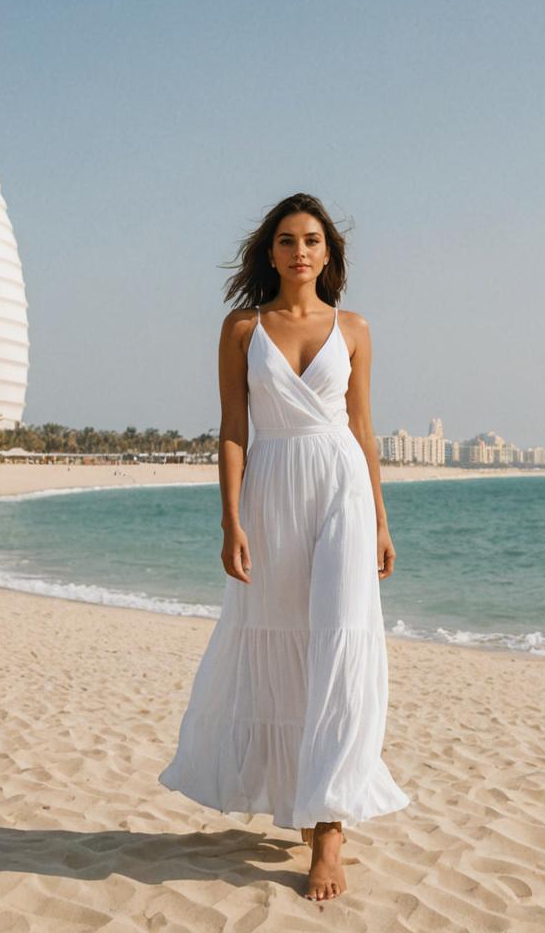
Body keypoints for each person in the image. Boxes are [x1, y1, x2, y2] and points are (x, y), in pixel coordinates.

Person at [158, 193, 410, 901]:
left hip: (341, 490)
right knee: (287, 645)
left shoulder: (354, 329)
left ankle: (329, 831)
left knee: (339, 641)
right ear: (269, 252)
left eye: (312, 240)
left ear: (329, 254)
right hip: (272, 492)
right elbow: (233, 429)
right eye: (287, 240)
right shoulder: (243, 329)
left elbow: (363, 430)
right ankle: (305, 792)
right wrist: (229, 519)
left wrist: (383, 521)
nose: (300, 250)